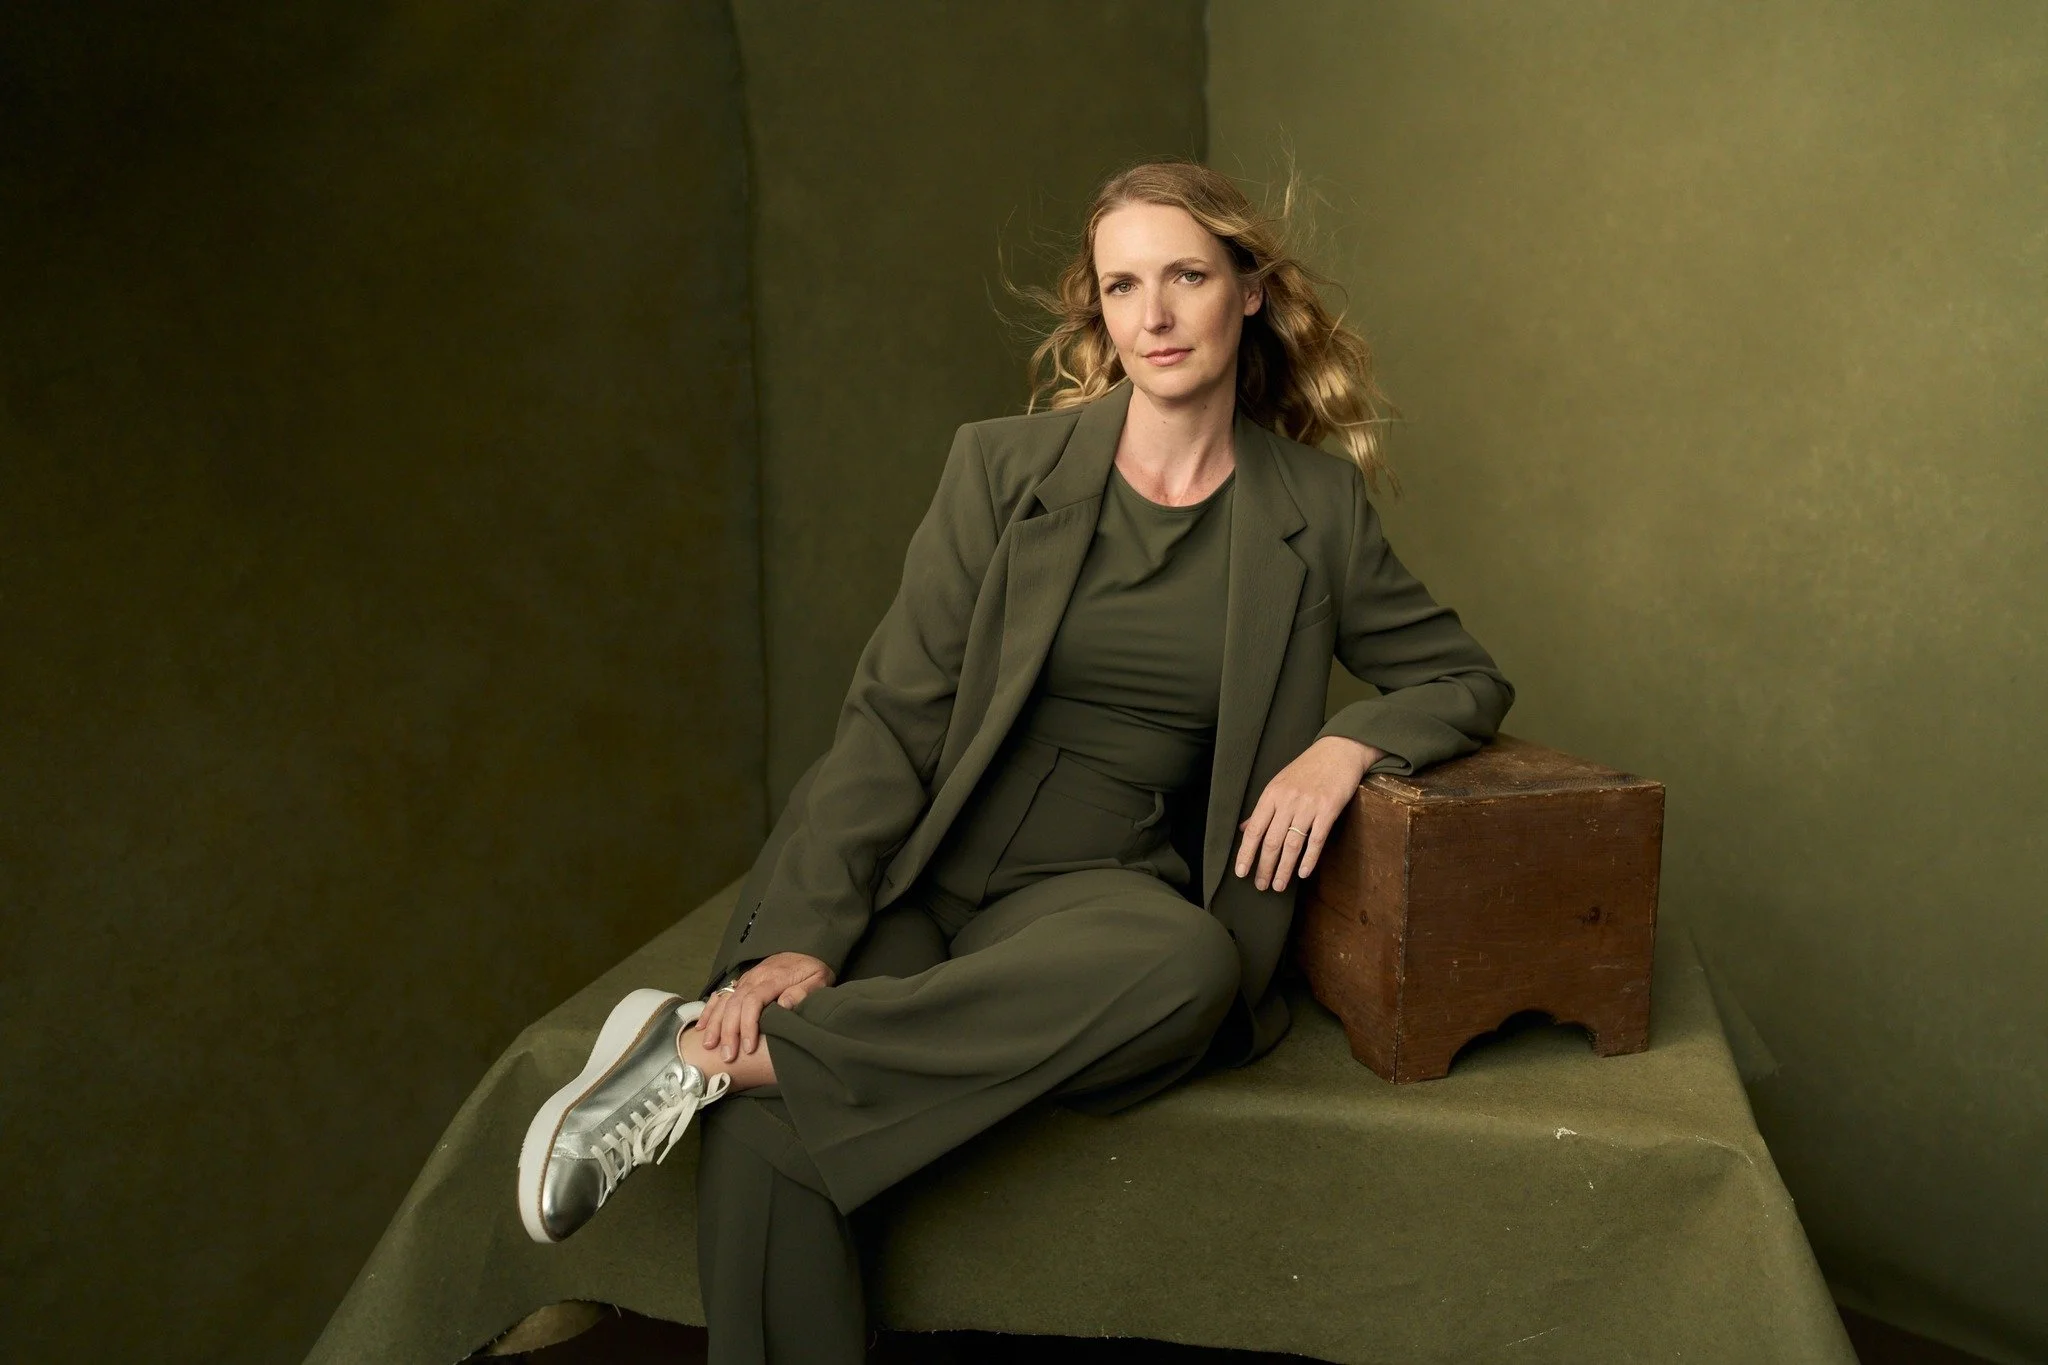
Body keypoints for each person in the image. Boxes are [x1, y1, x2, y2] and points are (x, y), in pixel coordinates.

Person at [514, 159, 1514, 1363]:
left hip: (1092, 901)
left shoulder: (1313, 510)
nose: (1152, 314)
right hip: (926, 866)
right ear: (1098, 311)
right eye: (1122, 285)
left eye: (1186, 276)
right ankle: (730, 1061)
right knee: (771, 1138)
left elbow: (1463, 677)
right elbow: (891, 720)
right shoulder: (1000, 471)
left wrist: (1344, 745)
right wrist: (806, 939)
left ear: (1246, 291)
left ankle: (695, 1056)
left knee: (1189, 965)